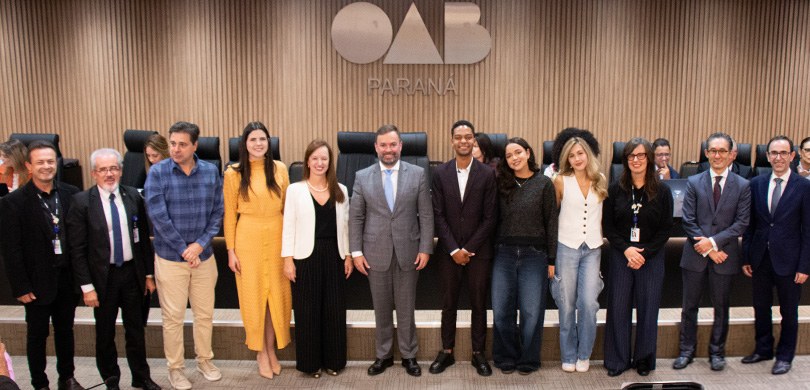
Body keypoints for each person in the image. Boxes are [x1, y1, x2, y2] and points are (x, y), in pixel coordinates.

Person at [66, 149, 161, 390]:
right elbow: (77, 250)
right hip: (102, 279)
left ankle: (141, 377)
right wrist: (87, 287)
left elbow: (142, 241)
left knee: (136, 331)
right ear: (93, 173)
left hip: (132, 275)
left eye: (114, 168)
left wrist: (148, 275)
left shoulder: (132, 197)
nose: (110, 174)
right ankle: (111, 379)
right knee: (105, 333)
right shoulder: (81, 202)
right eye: (103, 170)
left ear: (121, 170)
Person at [144, 121, 224, 390]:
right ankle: (176, 369)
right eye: (172, 143)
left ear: (195, 146)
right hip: (170, 258)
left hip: (204, 257)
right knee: (173, 318)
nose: (175, 149)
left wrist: (199, 245)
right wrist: (183, 248)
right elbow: (158, 216)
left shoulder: (211, 172)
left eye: (182, 144)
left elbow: (218, 213)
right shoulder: (158, 173)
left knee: (204, 315)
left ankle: (205, 361)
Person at [349, 125, 434, 377]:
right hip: (374, 253)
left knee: (407, 307)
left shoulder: (418, 174)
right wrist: (356, 252)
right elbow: (356, 217)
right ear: (376, 147)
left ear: (401, 146)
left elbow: (426, 215)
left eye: (393, 144)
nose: (388, 149)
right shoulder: (362, 176)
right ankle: (383, 355)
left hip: (409, 250)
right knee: (381, 307)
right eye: (383, 145)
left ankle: (409, 355)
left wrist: (426, 248)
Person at [0, 141, 83, 390]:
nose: (46, 166)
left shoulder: (71, 194)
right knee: (37, 336)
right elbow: (11, 250)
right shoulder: (13, 202)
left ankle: (66, 378)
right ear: (28, 166)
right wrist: (21, 286)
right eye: (40, 162)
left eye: (50, 161)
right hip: (35, 284)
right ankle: (40, 382)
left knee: (66, 333)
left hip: (66, 281)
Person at [673, 133, 751, 372]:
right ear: (706, 153)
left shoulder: (743, 185)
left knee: (721, 307)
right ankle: (686, 351)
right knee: (689, 307)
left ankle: (717, 353)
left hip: (724, 256)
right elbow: (688, 221)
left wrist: (714, 245)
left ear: (731, 155)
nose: (717, 155)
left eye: (722, 151)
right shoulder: (694, 182)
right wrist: (709, 249)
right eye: (713, 150)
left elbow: (741, 223)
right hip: (695, 256)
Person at [428, 120, 497, 377]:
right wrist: (454, 248)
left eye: (469, 137)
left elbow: (490, 217)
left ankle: (478, 354)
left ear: (474, 141)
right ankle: (446, 352)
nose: (464, 141)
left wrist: (468, 248)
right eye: (459, 137)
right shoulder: (440, 173)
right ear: (452, 141)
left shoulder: (488, 174)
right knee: (448, 304)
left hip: (479, 253)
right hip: (448, 252)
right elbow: (438, 215)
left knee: (479, 304)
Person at [223, 122, 290, 379]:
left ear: (269, 142)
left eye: (263, 139)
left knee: (275, 299)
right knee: (254, 300)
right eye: (253, 139)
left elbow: (288, 208)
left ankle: (271, 349)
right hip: (247, 239)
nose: (259, 144)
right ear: (245, 144)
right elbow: (230, 215)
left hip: (277, 237)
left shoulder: (280, 169)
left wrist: (290, 249)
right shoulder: (233, 174)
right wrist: (230, 250)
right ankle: (260, 352)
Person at [602, 137, 673, 377]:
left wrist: (645, 253)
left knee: (648, 308)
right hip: (622, 255)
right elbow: (608, 226)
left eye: (641, 155)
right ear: (625, 161)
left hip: (651, 257)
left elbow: (665, 228)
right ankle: (617, 360)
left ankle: (644, 359)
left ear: (649, 158)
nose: (636, 160)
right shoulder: (615, 189)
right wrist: (626, 250)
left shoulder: (662, 191)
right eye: (631, 156)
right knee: (618, 308)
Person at [281, 140, 352, 378]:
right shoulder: (295, 190)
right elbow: (288, 227)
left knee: (334, 310)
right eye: (315, 158)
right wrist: (287, 260)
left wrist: (349, 256)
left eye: (324, 158)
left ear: (330, 162)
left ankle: (334, 361)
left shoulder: (341, 189)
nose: (320, 163)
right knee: (307, 311)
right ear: (307, 161)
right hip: (305, 257)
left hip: (335, 255)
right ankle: (310, 364)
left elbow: (346, 228)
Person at [741, 135, 810, 375]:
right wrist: (747, 256)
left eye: (783, 153)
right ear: (768, 156)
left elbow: (808, 230)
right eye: (773, 153)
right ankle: (763, 349)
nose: (778, 158)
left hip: (790, 261)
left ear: (792, 156)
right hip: (760, 258)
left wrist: (805, 265)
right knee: (761, 307)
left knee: (788, 311)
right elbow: (751, 225)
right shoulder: (756, 183)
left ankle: (784, 355)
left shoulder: (804, 187)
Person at [492, 137, 557, 375]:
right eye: (509, 156)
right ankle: (505, 356)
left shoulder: (544, 184)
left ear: (528, 153)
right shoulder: (500, 184)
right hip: (504, 254)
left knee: (531, 311)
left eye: (518, 152)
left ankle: (529, 358)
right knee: (501, 310)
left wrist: (552, 259)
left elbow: (551, 223)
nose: (514, 158)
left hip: (534, 256)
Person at [549, 136, 607, 373]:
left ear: (588, 155)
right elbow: (552, 219)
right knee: (566, 304)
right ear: (567, 160)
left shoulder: (599, 180)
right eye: (571, 156)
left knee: (589, 303)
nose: (577, 159)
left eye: (580, 153)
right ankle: (569, 354)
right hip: (566, 247)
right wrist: (550, 257)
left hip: (592, 248)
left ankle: (585, 353)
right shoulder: (560, 180)